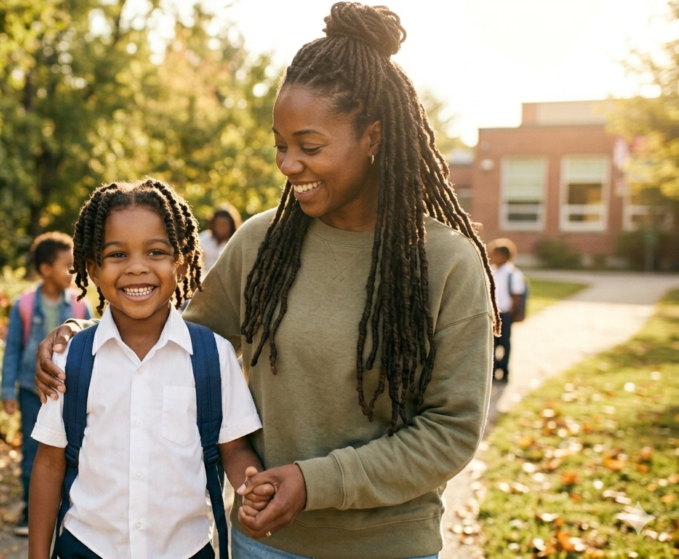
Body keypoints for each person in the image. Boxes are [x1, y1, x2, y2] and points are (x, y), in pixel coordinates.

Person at [35, 4, 498, 558]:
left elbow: (451, 431)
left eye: (310, 146)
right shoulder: (262, 244)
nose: (287, 164)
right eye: (280, 145)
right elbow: (170, 346)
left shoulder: (446, 265)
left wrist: (313, 482)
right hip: (266, 544)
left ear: (373, 137)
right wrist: (79, 334)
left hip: (389, 545)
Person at [28, 179, 270, 559]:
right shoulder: (70, 359)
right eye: (117, 255)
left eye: (156, 251)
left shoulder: (214, 356)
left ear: (183, 261)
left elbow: (234, 448)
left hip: (186, 549)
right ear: (92, 268)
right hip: (88, 548)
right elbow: (49, 464)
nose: (137, 268)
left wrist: (252, 486)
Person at [1, 232, 92, 536]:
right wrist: (7, 391)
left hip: (68, 392)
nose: (73, 272)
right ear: (45, 269)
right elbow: (12, 348)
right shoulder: (24, 305)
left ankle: (64, 512)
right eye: (67, 266)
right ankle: (31, 513)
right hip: (31, 390)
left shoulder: (81, 306)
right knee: (32, 453)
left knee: (67, 453)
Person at [489, 238, 526, 383]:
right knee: (492, 344)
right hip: (493, 314)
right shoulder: (491, 270)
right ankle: (493, 369)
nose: (493, 257)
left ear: (505, 256)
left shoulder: (513, 273)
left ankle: (504, 371)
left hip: (505, 314)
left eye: (496, 254)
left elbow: (517, 295)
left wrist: (512, 312)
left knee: (505, 343)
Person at [200, 203, 243, 272]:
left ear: (231, 225)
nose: (221, 228)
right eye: (219, 224)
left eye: (224, 224)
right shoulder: (204, 238)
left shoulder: (236, 243)